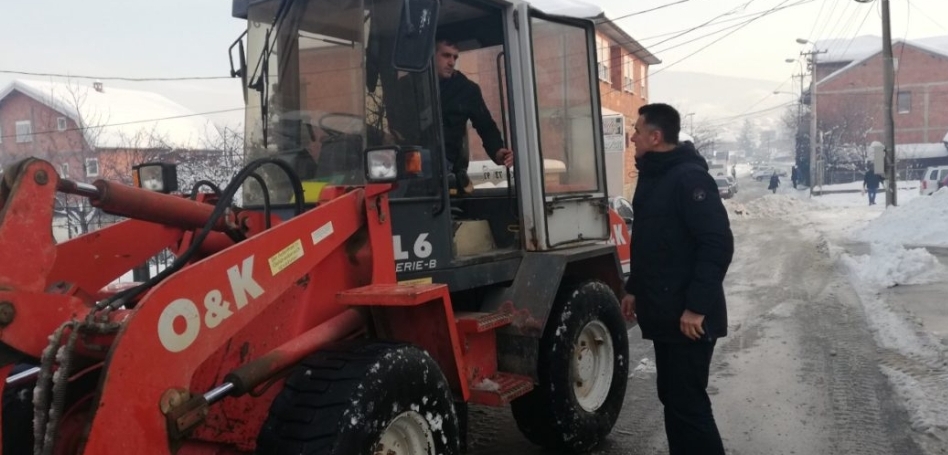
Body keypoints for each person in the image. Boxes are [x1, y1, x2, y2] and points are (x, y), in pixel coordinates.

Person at [622, 103, 733, 455]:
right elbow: (650, 244)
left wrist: (697, 308)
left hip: (689, 319)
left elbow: (717, 244)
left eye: (637, 131)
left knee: (688, 403)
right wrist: (633, 289)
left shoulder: (688, 178)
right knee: (673, 397)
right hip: (667, 312)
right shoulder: (654, 176)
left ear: (655, 137)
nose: (632, 137)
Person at [434, 38, 513, 193]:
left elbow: (486, 125)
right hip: (411, 163)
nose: (451, 62)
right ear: (431, 55)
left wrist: (497, 150)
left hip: (445, 166)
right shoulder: (409, 86)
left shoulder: (467, 90)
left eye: (455, 57)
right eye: (446, 55)